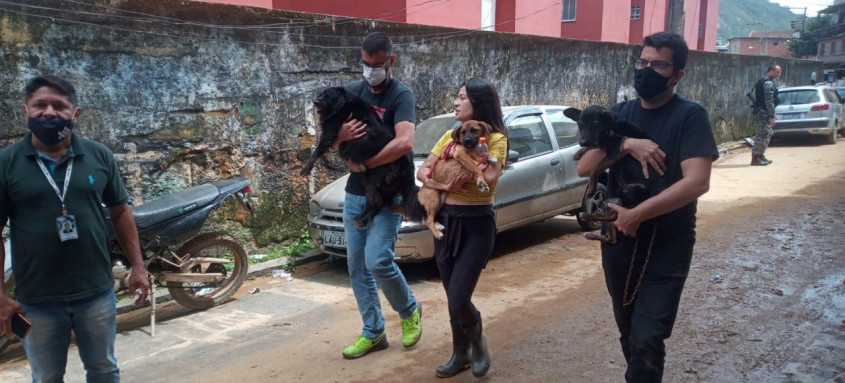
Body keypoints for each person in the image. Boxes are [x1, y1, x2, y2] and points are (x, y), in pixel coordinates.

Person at [576, 32, 719, 382]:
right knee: (628, 331)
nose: (646, 70)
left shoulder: (690, 116)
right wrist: (626, 144)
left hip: (667, 242)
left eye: (659, 64)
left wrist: (638, 213)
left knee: (648, 337)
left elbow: (697, 181)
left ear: (677, 74)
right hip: (619, 243)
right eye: (642, 61)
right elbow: (583, 167)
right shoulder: (618, 113)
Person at [0, 75, 150, 382]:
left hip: (95, 292)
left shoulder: (98, 155)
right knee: (46, 376)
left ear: (75, 113)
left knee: (104, 370)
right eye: (40, 105)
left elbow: (120, 210)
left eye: (59, 105)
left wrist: (138, 266)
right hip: (37, 298)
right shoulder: (6, 162)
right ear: (25, 111)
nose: (49, 112)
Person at [332, 32, 422, 359]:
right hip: (356, 193)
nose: (371, 70)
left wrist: (366, 161)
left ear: (390, 61)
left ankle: (409, 310)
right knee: (356, 267)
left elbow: (406, 141)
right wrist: (341, 137)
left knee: (378, 260)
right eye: (366, 64)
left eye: (377, 64)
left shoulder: (401, 95)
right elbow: (328, 133)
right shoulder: (353, 92)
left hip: (389, 193)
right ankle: (373, 331)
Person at [415, 77, 508, 378]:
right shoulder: (448, 136)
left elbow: (490, 177)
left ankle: (478, 342)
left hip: (477, 224)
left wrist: (468, 162)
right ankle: (460, 354)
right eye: (456, 96)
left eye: (462, 97)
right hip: (447, 221)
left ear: (478, 104)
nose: (456, 102)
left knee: (458, 296)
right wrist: (442, 183)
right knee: (450, 293)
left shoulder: (495, 139)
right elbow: (422, 171)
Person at [751, 65, 781, 166]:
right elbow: (769, 101)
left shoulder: (763, 81)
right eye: (777, 72)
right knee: (763, 134)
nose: (778, 74)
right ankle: (756, 157)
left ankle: (760, 155)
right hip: (764, 112)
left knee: (766, 134)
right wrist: (772, 115)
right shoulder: (768, 83)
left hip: (762, 111)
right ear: (771, 71)